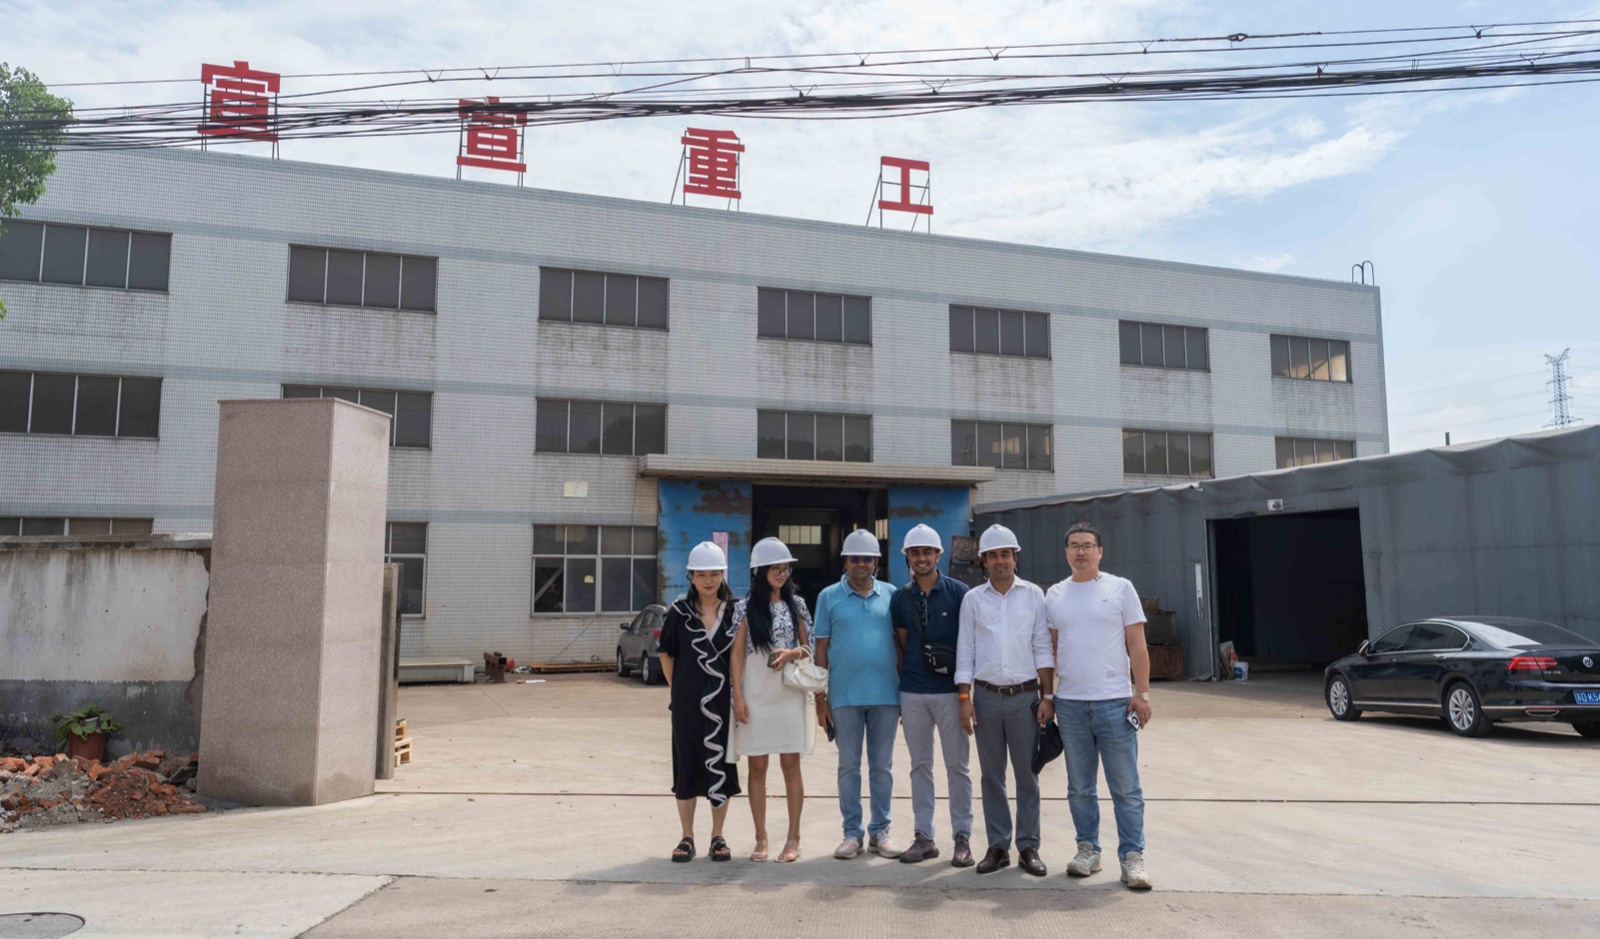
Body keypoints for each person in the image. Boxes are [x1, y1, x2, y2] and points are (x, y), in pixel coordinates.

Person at [1043, 520, 1153, 890]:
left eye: (1087, 545)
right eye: (1074, 545)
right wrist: (1049, 696)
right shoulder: (1055, 595)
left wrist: (1142, 693)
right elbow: (1051, 649)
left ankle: (1132, 856)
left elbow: (1137, 644)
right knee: (1079, 787)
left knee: (1125, 787)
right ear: (1066, 552)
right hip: (1071, 705)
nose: (1081, 551)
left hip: (1115, 704)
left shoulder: (1120, 588)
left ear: (1100, 551)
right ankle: (1087, 849)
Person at [954, 523, 1054, 877]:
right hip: (985, 697)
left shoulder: (1034, 596)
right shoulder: (972, 600)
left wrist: (1048, 696)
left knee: (1027, 775)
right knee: (991, 776)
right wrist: (964, 697)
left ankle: (1028, 846)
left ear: (1015, 557)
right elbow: (965, 650)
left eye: (1005, 554)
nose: (1000, 561)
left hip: (1024, 698)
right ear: (983, 560)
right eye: (993, 555)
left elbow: (1043, 647)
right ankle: (998, 846)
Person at [814, 528, 902, 860]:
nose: (861, 564)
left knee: (882, 767)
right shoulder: (828, 597)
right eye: (855, 558)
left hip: (886, 696)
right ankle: (852, 833)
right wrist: (820, 698)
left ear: (876, 561)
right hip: (844, 697)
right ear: (845, 562)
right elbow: (820, 650)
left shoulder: (893, 595)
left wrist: (905, 690)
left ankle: (880, 832)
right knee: (848, 767)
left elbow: (900, 645)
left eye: (867, 558)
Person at [890, 523, 974, 867]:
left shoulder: (960, 593)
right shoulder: (900, 598)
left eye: (927, 552)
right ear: (907, 557)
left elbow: (968, 645)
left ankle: (962, 837)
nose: (921, 558)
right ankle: (924, 836)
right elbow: (903, 645)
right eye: (915, 552)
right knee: (920, 766)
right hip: (913, 692)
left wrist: (965, 696)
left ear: (939, 555)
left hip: (950, 692)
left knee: (958, 766)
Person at [730, 536, 814, 863]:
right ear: (759, 571)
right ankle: (761, 838)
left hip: (788, 694)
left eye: (785, 568)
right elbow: (737, 655)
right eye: (775, 568)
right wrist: (738, 696)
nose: (782, 574)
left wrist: (792, 653)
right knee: (757, 767)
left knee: (791, 764)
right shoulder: (745, 607)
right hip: (755, 693)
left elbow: (808, 649)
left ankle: (794, 838)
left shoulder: (797, 606)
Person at [657, 541, 741, 863]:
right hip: (686, 706)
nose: (708, 580)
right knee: (687, 765)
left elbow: (741, 657)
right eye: (701, 574)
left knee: (722, 765)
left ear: (723, 575)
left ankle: (718, 836)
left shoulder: (735, 611)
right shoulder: (679, 612)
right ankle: (687, 836)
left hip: (723, 705)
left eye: (714, 574)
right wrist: (678, 690)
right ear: (691, 577)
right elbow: (666, 653)